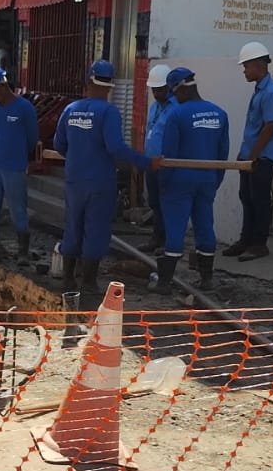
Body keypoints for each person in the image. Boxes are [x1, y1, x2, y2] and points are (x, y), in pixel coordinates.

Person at [51, 59, 154, 305]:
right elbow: (115, 147)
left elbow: (58, 145)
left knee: (73, 226)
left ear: (88, 81)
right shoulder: (109, 112)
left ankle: (67, 280)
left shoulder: (71, 109)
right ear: (110, 87)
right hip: (99, 181)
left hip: (74, 180)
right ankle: (88, 283)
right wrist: (144, 162)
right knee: (95, 230)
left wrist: (78, 156)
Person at [156, 68, 231, 293]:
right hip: (208, 178)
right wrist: (215, 180)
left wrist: (163, 183)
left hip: (179, 179)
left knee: (175, 228)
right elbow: (222, 153)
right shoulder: (219, 114)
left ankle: (165, 282)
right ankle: (207, 278)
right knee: (205, 225)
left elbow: (168, 154)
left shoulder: (176, 115)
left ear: (178, 89)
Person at [225, 42, 273, 261]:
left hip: (262, 157)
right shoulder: (261, 89)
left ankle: (259, 243)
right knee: (247, 197)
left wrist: (253, 155)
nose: (244, 71)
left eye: (246, 66)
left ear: (258, 65)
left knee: (259, 199)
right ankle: (246, 239)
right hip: (251, 155)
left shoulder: (271, 93)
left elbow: (270, 126)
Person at [0, 65, 38, 260]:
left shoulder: (24, 109)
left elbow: (31, 138)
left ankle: (22, 251)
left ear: (2, 87)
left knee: (17, 209)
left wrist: (19, 156)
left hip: (14, 167)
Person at [138, 63, 174, 254]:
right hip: (151, 162)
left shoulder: (176, 108)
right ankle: (156, 238)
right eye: (153, 89)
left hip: (166, 164)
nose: (155, 93)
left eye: (158, 89)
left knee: (167, 203)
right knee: (155, 203)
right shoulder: (154, 108)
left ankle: (169, 241)